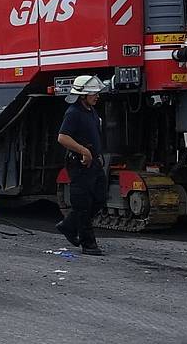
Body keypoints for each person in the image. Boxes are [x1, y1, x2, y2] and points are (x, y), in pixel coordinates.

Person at [55, 75, 107, 256]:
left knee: (99, 199)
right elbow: (62, 137)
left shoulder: (91, 111)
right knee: (83, 205)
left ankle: (69, 226)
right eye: (93, 93)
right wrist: (83, 151)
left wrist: (96, 155)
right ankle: (88, 244)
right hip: (79, 165)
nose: (97, 96)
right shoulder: (73, 112)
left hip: (94, 164)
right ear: (83, 95)